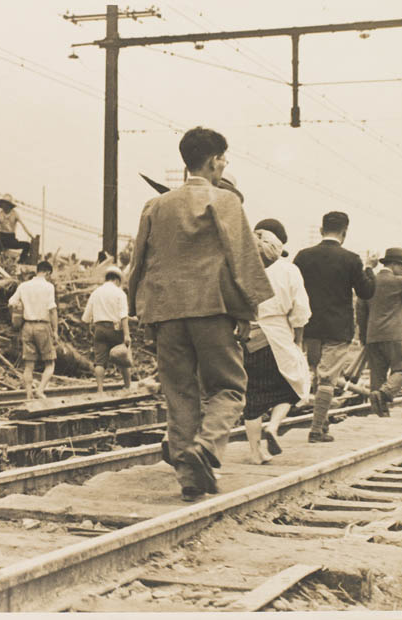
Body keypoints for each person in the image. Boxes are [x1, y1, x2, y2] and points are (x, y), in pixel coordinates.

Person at [128, 126, 273, 502]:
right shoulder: (225, 202)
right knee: (228, 387)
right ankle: (207, 447)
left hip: (165, 313)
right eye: (223, 158)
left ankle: (189, 476)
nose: (224, 165)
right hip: (212, 309)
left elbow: (138, 263)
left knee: (179, 393)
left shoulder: (155, 205)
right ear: (213, 161)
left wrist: (139, 313)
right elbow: (242, 260)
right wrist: (247, 311)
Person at [293, 211, 377, 442]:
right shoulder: (351, 259)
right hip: (338, 329)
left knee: (318, 376)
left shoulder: (302, 256)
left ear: (321, 230)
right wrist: (369, 268)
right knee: (328, 379)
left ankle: (324, 422)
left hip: (309, 326)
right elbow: (366, 292)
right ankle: (316, 429)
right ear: (345, 233)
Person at [243, 220, 311, 464]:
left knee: (253, 396)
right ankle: (273, 425)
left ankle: (254, 452)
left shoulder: (244, 267)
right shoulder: (289, 270)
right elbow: (300, 311)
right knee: (294, 385)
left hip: (248, 336)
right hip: (278, 335)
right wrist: (298, 341)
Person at [356, 247, 402, 417]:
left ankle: (380, 413)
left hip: (373, 336)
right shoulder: (400, 282)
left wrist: (364, 336)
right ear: (393, 264)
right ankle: (384, 394)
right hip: (396, 334)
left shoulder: (369, 282)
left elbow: (360, 311)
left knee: (377, 375)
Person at [8, 260, 59, 399]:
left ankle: (29, 395)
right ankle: (40, 390)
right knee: (50, 363)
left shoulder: (24, 286)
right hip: (42, 326)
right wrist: (55, 331)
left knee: (29, 365)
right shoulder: (49, 287)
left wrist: (22, 309)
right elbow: (53, 310)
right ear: (48, 272)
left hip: (27, 326)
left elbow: (11, 302)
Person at [82, 265, 132, 393]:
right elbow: (123, 316)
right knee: (122, 358)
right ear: (117, 280)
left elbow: (86, 318)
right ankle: (127, 387)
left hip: (99, 329)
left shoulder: (96, 292)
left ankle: (100, 390)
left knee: (99, 361)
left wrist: (91, 330)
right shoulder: (120, 293)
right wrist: (126, 335)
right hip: (115, 329)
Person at [0, 193, 33, 263]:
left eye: (6, 203)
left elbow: (23, 225)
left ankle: (20, 261)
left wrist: (31, 235)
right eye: (3, 203)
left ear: (9, 205)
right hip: (2, 237)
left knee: (27, 245)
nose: (4, 205)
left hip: (11, 239)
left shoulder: (14, 214)